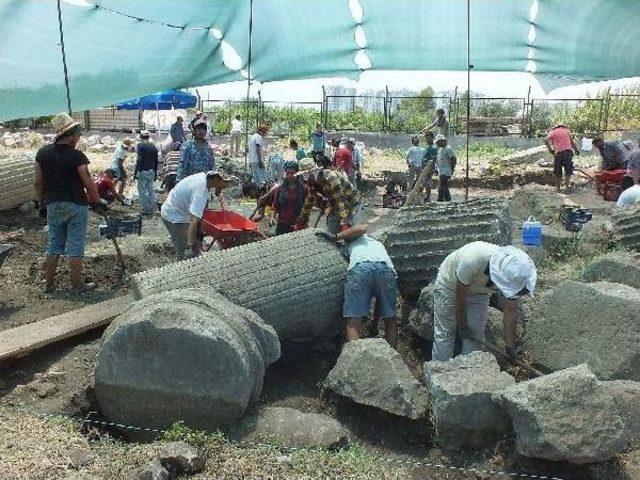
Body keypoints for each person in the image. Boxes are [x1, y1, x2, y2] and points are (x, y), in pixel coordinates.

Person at [431, 241, 536, 362]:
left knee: (474, 338)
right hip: (450, 285)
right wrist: (462, 325)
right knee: (445, 335)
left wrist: (510, 346)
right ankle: (439, 374)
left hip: (480, 292)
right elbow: (460, 298)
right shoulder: (474, 259)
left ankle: (468, 376)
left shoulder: (517, 275)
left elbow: (510, 310)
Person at [34, 112, 103, 294]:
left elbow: (38, 182)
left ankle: (48, 284)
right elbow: (88, 182)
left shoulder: (42, 153)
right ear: (70, 135)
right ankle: (77, 285)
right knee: (75, 245)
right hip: (75, 205)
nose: (79, 138)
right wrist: (96, 202)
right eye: (78, 134)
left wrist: (41, 204)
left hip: (53, 204)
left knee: (54, 243)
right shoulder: (77, 156)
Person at [317, 224, 398, 348]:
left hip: (361, 268)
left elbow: (361, 228)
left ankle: (356, 361)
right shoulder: (375, 242)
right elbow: (380, 302)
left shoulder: (353, 240)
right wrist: (374, 324)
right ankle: (394, 362)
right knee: (390, 319)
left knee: (353, 321)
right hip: (385, 270)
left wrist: (335, 237)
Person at [160, 170, 231, 260]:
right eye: (225, 183)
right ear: (216, 179)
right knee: (185, 253)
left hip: (179, 208)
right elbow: (194, 221)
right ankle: (184, 267)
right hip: (174, 216)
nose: (227, 186)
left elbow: (199, 215)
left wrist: (218, 189)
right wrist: (190, 245)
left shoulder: (205, 178)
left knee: (195, 242)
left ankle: (196, 255)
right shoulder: (201, 193)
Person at [296, 161, 364, 235]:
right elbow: (308, 203)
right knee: (330, 235)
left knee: (351, 234)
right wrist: (301, 221)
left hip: (352, 203)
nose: (304, 180)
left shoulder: (331, 177)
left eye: (305, 176)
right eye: (303, 177)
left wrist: (344, 223)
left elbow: (340, 201)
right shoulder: (311, 183)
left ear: (314, 174)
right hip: (334, 206)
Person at [271, 161, 307, 235]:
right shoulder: (281, 189)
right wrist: (272, 218)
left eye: (292, 173)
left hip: (297, 226)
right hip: (281, 224)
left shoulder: (303, 189)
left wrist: (302, 224)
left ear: (297, 173)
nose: (290, 175)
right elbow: (275, 206)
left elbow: (306, 209)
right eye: (287, 173)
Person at [544, 124, 580, 192]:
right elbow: (572, 142)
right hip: (568, 153)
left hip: (558, 153)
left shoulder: (553, 132)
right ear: (563, 127)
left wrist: (550, 149)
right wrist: (576, 150)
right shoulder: (567, 131)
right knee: (568, 171)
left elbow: (545, 140)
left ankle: (558, 188)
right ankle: (566, 188)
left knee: (557, 171)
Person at [176, 118, 215, 182]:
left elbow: (211, 165)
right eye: (199, 129)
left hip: (203, 182)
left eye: (204, 129)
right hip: (190, 182)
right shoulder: (187, 146)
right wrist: (179, 181)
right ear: (194, 131)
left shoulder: (208, 147)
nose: (202, 131)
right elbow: (182, 165)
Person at [134, 130, 159, 216]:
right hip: (151, 171)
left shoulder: (140, 146)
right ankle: (152, 208)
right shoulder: (154, 147)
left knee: (142, 191)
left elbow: (139, 160)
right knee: (151, 190)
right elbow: (156, 162)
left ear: (141, 137)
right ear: (148, 137)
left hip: (142, 171)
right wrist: (156, 174)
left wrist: (135, 172)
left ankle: (145, 209)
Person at [434, 133, 456, 202]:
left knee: (441, 188)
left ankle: (440, 201)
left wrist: (452, 169)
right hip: (441, 171)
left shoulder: (448, 149)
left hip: (446, 172)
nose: (437, 144)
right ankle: (448, 201)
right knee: (445, 188)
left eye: (438, 142)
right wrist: (436, 169)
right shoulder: (440, 150)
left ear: (442, 141)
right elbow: (439, 161)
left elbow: (453, 159)